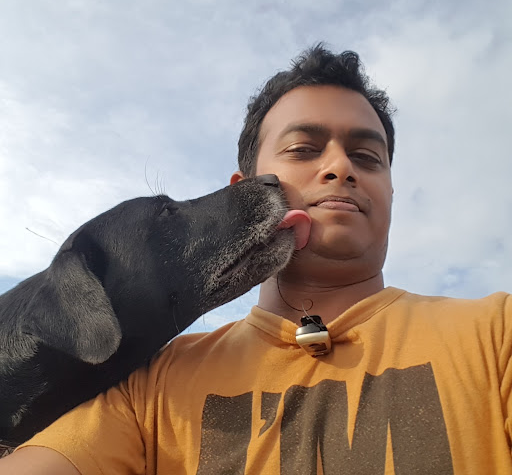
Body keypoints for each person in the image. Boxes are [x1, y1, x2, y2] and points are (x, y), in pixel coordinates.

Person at [1, 44, 511, 474]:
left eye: (367, 157)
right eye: (304, 149)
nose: (340, 167)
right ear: (243, 192)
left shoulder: (498, 334)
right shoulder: (148, 386)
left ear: (390, 192)